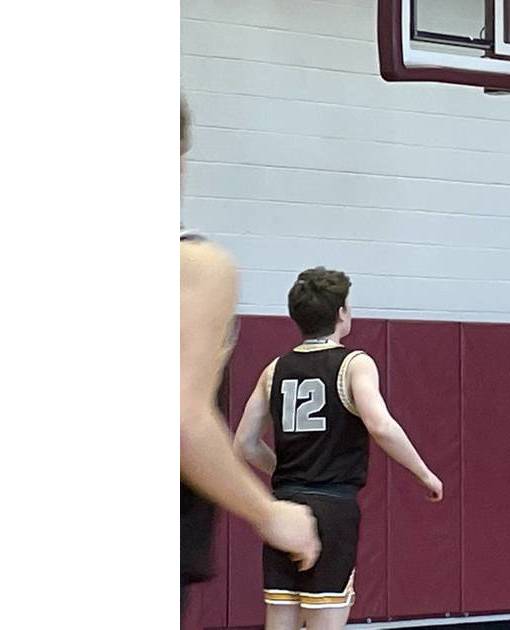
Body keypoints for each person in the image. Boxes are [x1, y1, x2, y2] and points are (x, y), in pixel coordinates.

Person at [234, 267, 443, 630]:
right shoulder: (354, 364)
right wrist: (423, 472)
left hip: (283, 504)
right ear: (341, 313)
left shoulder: (274, 369)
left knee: (280, 620)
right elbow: (380, 424)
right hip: (332, 508)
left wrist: (284, 471)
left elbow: (245, 445)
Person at [180, 95, 320, 609]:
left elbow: (244, 442)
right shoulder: (195, 265)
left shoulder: (277, 371)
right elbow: (184, 418)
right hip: (325, 499)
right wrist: (269, 510)